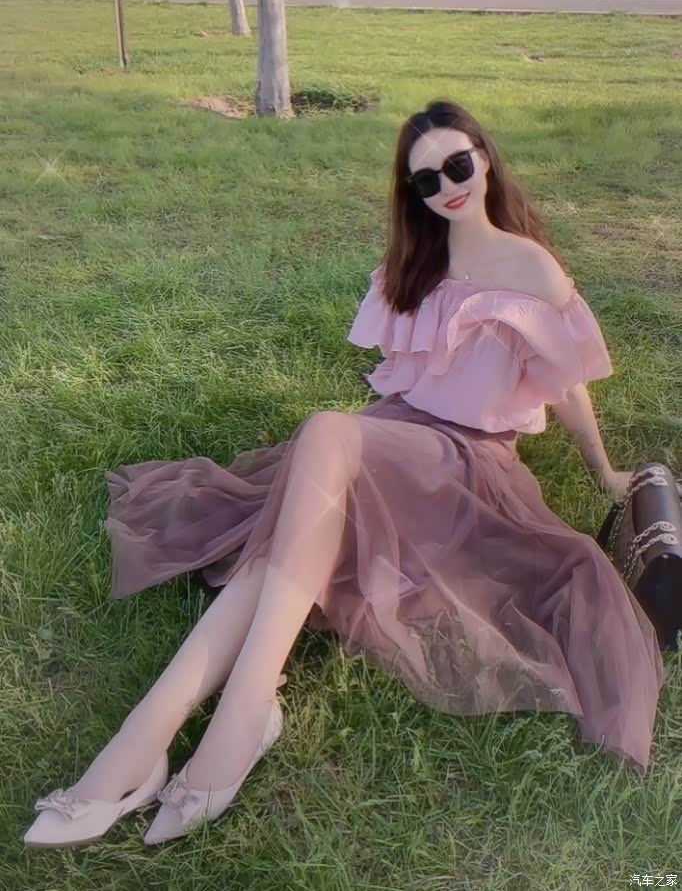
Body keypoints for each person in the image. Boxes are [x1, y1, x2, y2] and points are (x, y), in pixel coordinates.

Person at [24, 100, 666, 849]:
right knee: (307, 493)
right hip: (394, 433)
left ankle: (173, 736)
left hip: (466, 461)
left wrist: (603, 469)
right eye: (427, 180)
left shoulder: (531, 266)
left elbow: (570, 386)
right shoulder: (419, 260)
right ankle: (184, 729)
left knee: (323, 442)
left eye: (458, 165)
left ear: (485, 158)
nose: (448, 187)